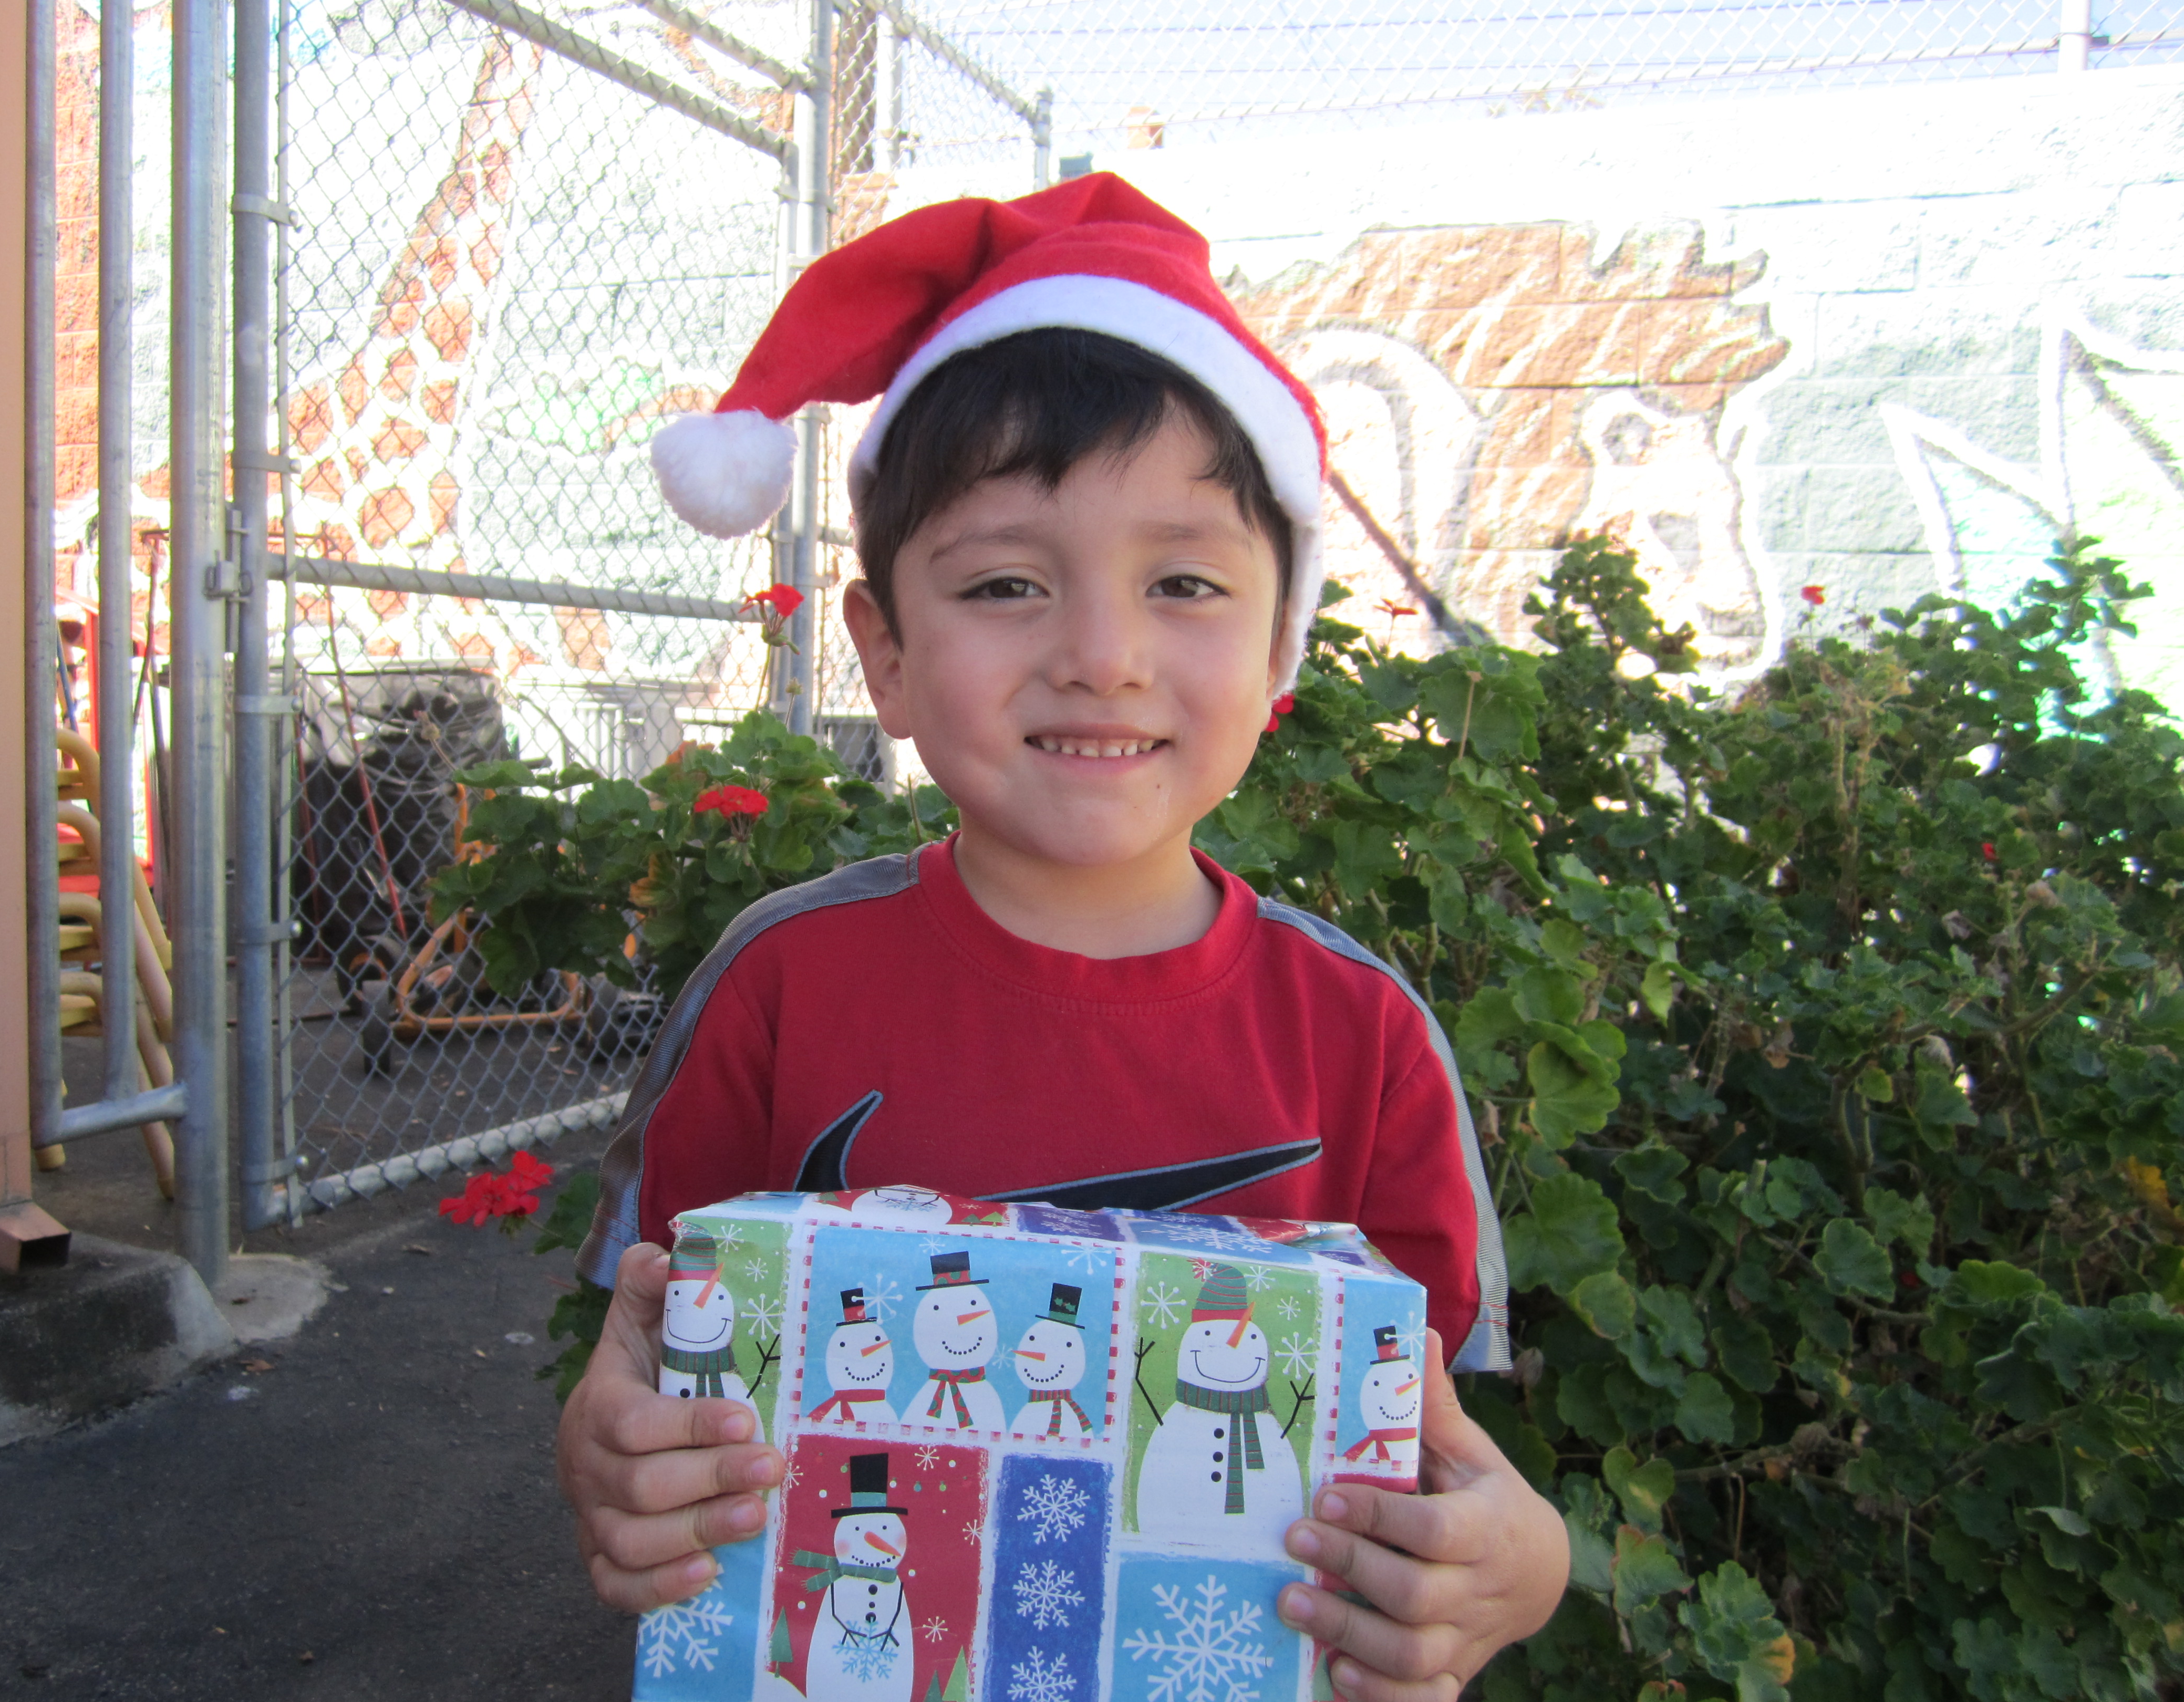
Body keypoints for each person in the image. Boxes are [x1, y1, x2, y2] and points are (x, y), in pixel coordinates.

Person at [557, 172, 1568, 1698]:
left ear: (1281, 643)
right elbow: (649, 1356)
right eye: (1007, 584)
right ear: (886, 654)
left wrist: (1517, 1569)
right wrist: (610, 1450)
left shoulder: (1365, 1038)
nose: (1103, 655)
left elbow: (1442, 1461)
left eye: (1185, 582)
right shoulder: (778, 983)